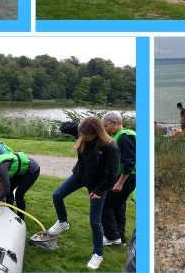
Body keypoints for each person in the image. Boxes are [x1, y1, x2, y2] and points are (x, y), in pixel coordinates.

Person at [47, 116, 119, 271]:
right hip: (79, 176)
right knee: (57, 195)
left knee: (94, 220)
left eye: (86, 135)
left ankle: (97, 254)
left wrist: (99, 191)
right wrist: (79, 124)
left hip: (97, 185)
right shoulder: (83, 131)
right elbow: (63, 126)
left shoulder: (110, 147)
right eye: (81, 134)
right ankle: (63, 222)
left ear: (96, 133)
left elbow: (112, 175)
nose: (82, 137)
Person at [101, 111, 135, 246]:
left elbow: (129, 162)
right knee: (118, 206)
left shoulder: (125, 137)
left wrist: (120, 182)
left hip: (127, 177)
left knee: (106, 205)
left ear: (115, 123)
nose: (105, 129)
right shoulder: (119, 135)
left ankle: (111, 237)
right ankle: (120, 237)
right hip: (127, 177)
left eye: (105, 126)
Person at [0, 150, 40, 219]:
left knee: (19, 195)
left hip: (31, 170)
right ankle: (10, 213)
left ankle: (21, 218)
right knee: (9, 193)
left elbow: (6, 190)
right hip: (18, 171)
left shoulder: (1, 168)